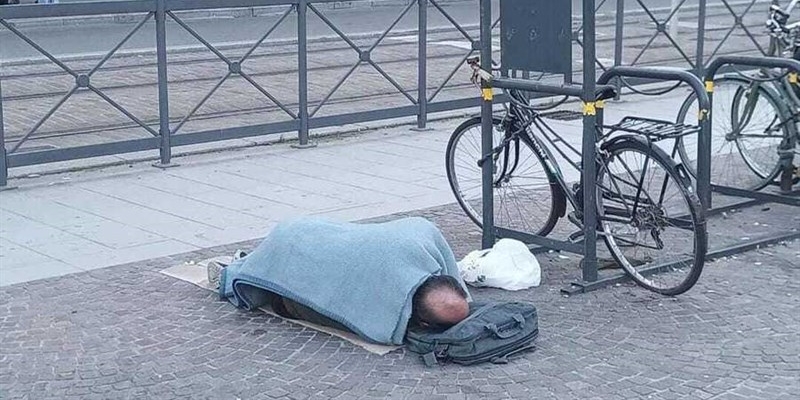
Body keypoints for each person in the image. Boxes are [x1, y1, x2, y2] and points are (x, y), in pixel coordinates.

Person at [208, 217, 472, 344]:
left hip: (320, 239)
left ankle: (244, 264)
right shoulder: (382, 311)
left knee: (288, 297)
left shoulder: (424, 236)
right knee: (270, 279)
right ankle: (235, 270)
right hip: (295, 238)